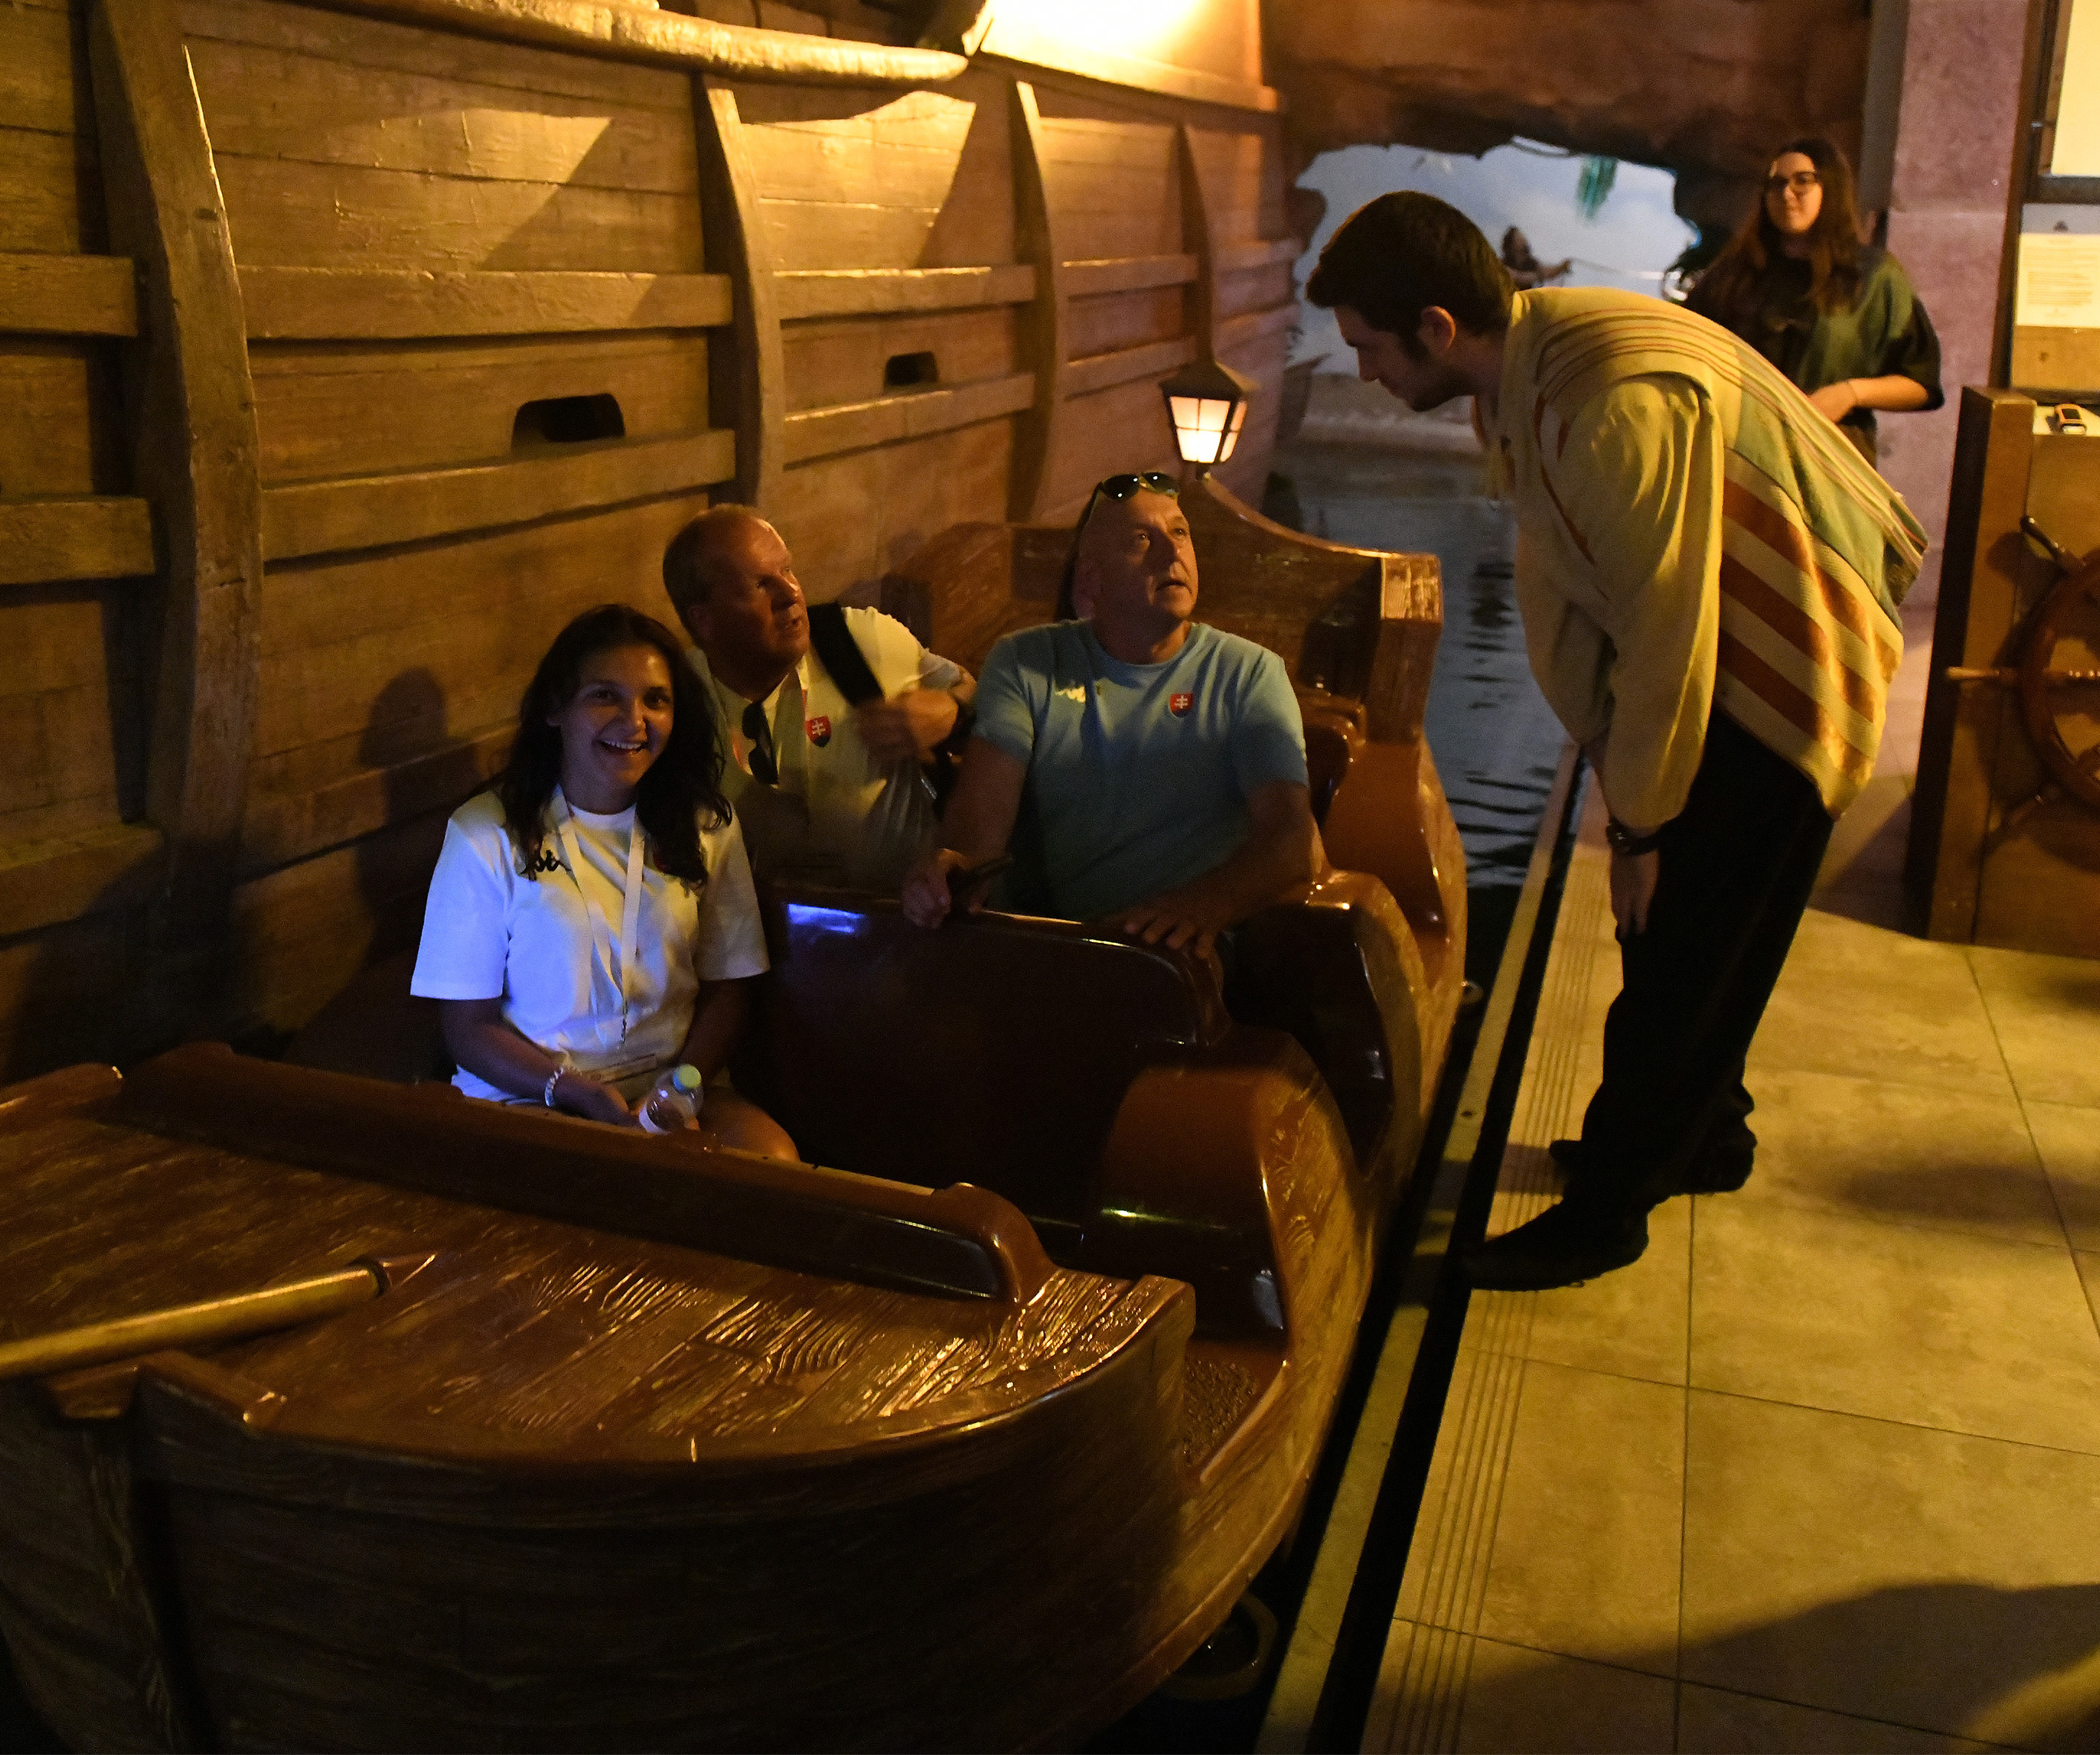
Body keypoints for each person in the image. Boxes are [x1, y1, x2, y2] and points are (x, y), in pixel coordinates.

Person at [1306, 191, 1927, 1289]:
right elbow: (1570, 580)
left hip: (1782, 672)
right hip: (1731, 654)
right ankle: (1705, 1138)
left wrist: (1637, 829)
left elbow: (1663, 632)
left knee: (1679, 953)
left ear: (1437, 329)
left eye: (1369, 348)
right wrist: (1608, 757)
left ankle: (1605, 1217)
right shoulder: (1532, 365)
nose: (1363, 373)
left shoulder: (1607, 403)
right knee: (1685, 942)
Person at [410, 603, 797, 1159]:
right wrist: (579, 1094)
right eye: (605, 696)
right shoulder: (484, 832)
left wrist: (678, 1091)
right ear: (555, 709)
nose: (634, 720)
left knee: (773, 1163)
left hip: (667, 1090)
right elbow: (468, 1029)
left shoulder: (706, 824)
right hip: (530, 1096)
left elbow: (729, 987)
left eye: (655, 700)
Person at [901, 472, 1319, 950]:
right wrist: (950, 869)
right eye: (1141, 540)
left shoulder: (1249, 672)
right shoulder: (1025, 662)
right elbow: (981, 823)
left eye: (1179, 532)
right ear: (1091, 580)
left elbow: (1289, 839)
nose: (1172, 552)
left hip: (1178, 949)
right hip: (1053, 943)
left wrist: (1197, 908)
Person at [663, 505, 975, 892]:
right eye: (761, 585)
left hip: (903, 915)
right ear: (704, 620)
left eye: (788, 570)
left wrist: (953, 711)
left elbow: (985, 698)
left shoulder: (857, 642)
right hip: (760, 923)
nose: (791, 594)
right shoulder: (679, 699)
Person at [1683, 137, 1943, 463]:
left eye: (1802, 181)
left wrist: (1849, 393)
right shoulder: (1736, 271)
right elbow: (1685, 343)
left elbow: (1921, 383)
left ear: (1830, 188)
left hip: (1829, 455)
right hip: (1739, 451)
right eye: (1777, 184)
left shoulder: (1874, 277)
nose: (1786, 194)